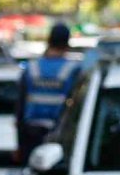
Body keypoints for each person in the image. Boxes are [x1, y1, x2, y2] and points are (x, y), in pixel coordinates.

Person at [13, 22, 78, 166]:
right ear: (67, 43)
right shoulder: (73, 70)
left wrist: (19, 145)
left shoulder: (31, 67)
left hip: (30, 135)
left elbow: (20, 108)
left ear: (49, 40)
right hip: (58, 135)